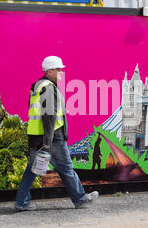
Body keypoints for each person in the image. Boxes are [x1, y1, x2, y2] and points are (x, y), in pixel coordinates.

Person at [14, 56, 99, 211]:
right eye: (58, 69)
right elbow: (49, 116)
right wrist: (47, 143)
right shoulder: (49, 87)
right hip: (52, 139)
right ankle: (80, 199)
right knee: (66, 168)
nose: (61, 72)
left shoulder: (37, 86)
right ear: (49, 71)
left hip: (36, 137)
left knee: (32, 170)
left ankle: (21, 202)